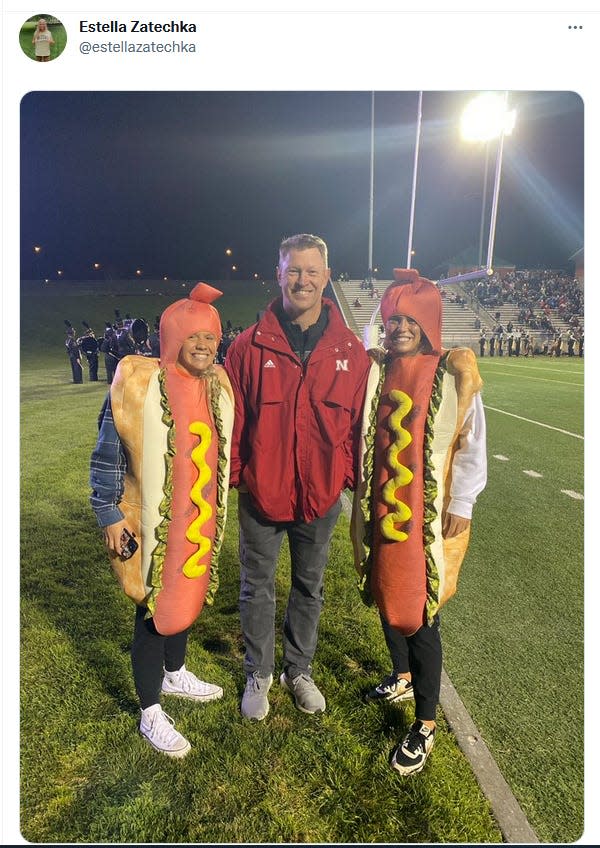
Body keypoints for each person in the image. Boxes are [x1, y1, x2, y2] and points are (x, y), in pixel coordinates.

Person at [225, 233, 370, 721]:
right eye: (293, 270)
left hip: (320, 496)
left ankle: (298, 669)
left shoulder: (351, 349)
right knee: (256, 585)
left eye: (311, 271)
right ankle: (259, 671)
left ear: (326, 277)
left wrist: (343, 476)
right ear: (278, 274)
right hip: (261, 494)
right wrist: (240, 477)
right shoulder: (246, 347)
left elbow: (355, 424)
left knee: (310, 586)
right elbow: (235, 421)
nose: (302, 279)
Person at [351, 268, 487, 776]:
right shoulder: (378, 371)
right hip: (385, 507)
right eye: (393, 320)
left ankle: (426, 721)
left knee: (421, 609)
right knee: (388, 596)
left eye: (411, 319)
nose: (400, 327)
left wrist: (463, 503)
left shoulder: (452, 373)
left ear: (428, 324)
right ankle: (402, 673)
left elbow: (473, 442)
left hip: (428, 514)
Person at [90, 283, 234, 758]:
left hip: (197, 517)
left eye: (209, 338)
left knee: (186, 591)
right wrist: (108, 512)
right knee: (153, 604)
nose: (202, 346)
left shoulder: (216, 388)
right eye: (192, 336)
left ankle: (174, 674)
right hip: (150, 518)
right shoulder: (139, 383)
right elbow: (108, 452)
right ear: (171, 338)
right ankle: (150, 708)